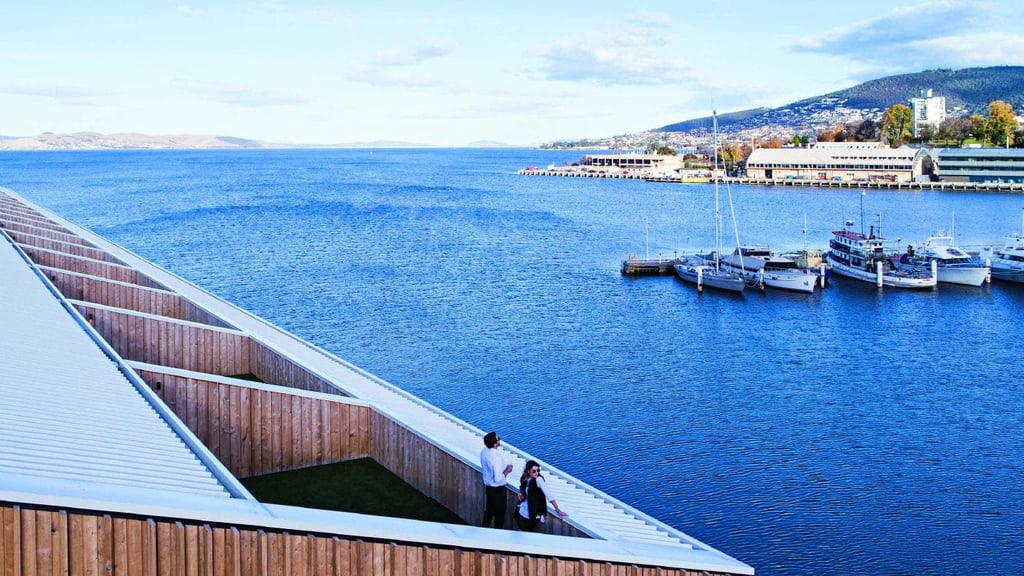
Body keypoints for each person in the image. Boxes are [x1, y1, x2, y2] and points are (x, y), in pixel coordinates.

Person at [514, 460, 567, 531]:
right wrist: (522, 496)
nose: (537, 473)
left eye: (538, 470)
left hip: (532, 515)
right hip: (522, 512)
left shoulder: (539, 480)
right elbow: (526, 493)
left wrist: (557, 509)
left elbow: (549, 495)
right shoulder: (526, 479)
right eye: (534, 471)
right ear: (528, 471)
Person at [480, 431, 513, 528]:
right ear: (495, 444)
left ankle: (484, 530)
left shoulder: (484, 451)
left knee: (489, 512)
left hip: (489, 488)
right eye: (498, 439)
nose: (500, 439)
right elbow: (498, 479)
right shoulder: (496, 458)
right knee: (499, 515)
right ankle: (497, 535)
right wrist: (507, 470)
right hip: (498, 490)